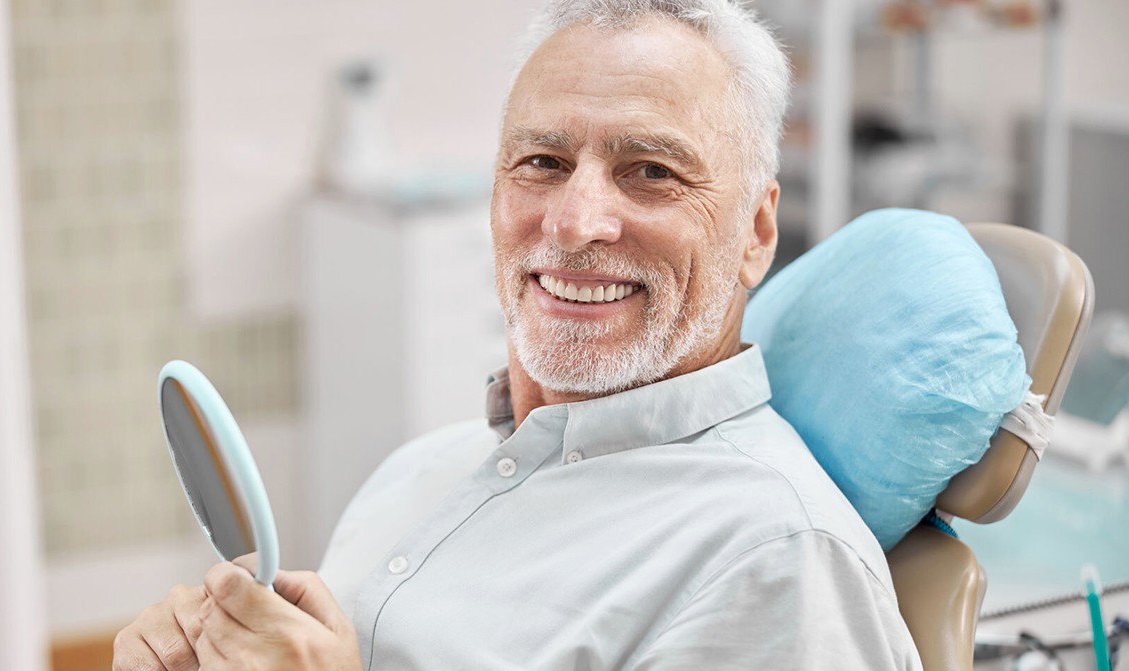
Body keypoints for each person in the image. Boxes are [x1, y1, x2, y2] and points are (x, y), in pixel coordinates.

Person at [114, 1, 923, 669]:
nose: (574, 222)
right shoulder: (418, 470)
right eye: (541, 161)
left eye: (652, 172)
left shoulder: (774, 559)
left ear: (755, 230)